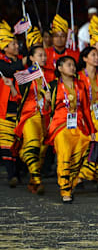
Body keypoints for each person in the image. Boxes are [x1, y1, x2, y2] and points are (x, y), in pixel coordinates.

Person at [44, 56, 95, 203]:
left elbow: (85, 109)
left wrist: (91, 130)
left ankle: (70, 183)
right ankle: (65, 190)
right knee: (64, 156)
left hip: (78, 126)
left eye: (73, 65)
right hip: (60, 126)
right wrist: (47, 101)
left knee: (78, 158)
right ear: (59, 68)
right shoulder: (52, 86)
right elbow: (46, 111)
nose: (72, 68)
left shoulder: (80, 85)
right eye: (68, 65)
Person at [13, 43, 49, 194]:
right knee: (33, 144)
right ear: (32, 58)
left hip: (45, 117)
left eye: (44, 55)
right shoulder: (25, 75)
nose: (43, 58)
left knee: (41, 150)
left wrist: (48, 99)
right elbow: (17, 97)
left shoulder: (51, 74)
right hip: (30, 115)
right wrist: (11, 86)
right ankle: (38, 180)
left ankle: (33, 181)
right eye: (39, 55)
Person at [76, 46, 98, 191]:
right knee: (83, 146)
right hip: (83, 114)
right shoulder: (78, 76)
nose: (97, 57)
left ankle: (85, 174)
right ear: (85, 58)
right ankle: (80, 176)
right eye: (93, 55)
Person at [0, 20, 26, 187]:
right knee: (6, 140)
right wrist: (26, 62)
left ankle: (18, 171)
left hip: (24, 104)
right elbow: (9, 70)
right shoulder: (2, 62)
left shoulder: (22, 60)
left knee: (21, 140)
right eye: (13, 44)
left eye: (17, 43)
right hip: (5, 106)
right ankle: (11, 175)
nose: (17, 46)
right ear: (4, 47)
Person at [44, 14, 79, 81]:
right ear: (52, 38)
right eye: (56, 36)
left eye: (62, 36)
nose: (59, 39)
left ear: (66, 37)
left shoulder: (75, 54)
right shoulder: (45, 53)